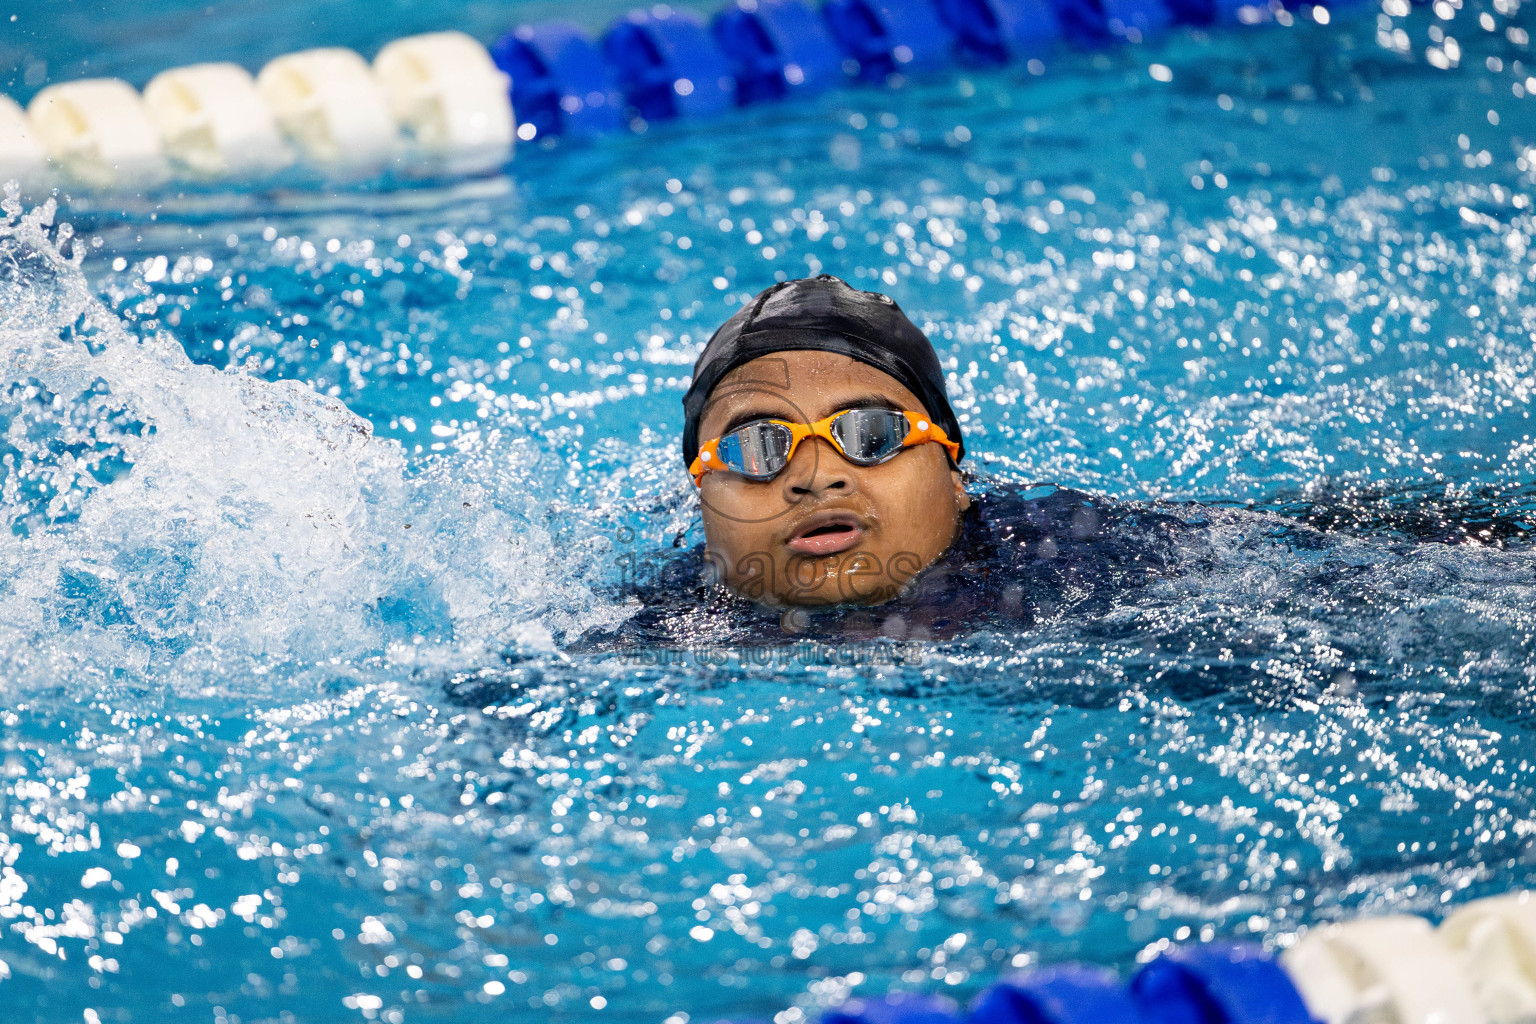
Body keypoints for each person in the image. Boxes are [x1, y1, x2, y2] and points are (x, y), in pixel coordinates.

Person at [681, 274, 972, 608]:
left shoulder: (1042, 561)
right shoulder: (637, 633)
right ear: (705, 515)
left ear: (955, 481)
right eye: (755, 448)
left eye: (871, 434)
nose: (817, 478)